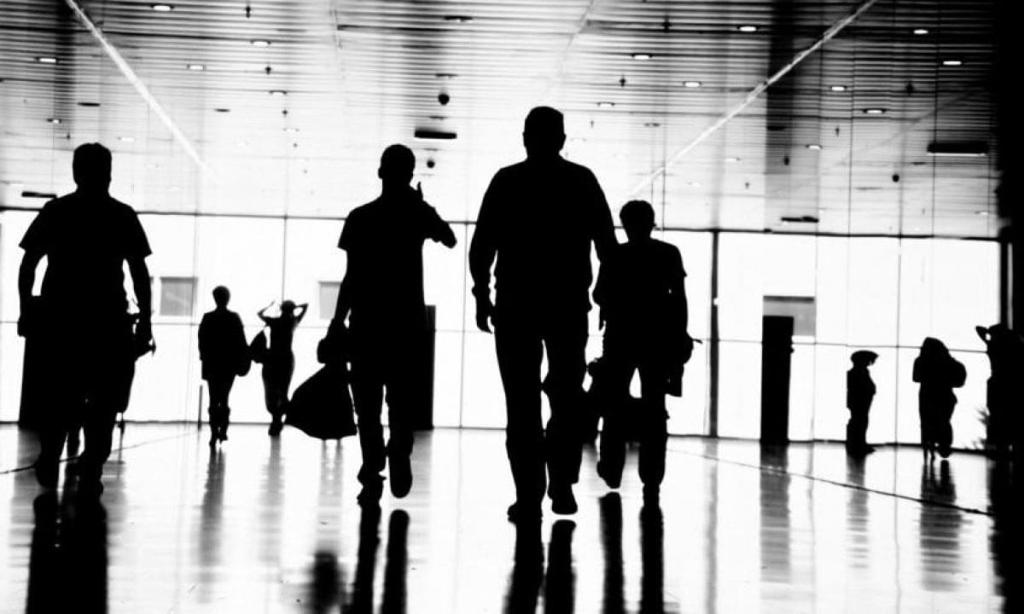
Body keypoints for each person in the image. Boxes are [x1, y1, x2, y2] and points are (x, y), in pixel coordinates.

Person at [469, 106, 616, 521]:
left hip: (515, 305)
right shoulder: (582, 181)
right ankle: (562, 481)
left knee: (521, 403)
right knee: (566, 397)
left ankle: (529, 494)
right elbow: (607, 245)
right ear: (562, 140)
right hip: (567, 305)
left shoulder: (507, 181)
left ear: (525, 138)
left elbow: (482, 246)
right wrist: (607, 297)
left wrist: (482, 294)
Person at [17, 142, 153, 496]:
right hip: (108, 322)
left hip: (61, 321)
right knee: (105, 402)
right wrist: (145, 323)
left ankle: (51, 454)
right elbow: (139, 273)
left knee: (57, 396)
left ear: (76, 172)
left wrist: (26, 309)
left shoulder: (56, 212)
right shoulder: (122, 215)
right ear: (109, 173)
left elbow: (29, 264)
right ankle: (92, 464)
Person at [332, 144, 456, 506]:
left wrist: (337, 321)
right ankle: (399, 449)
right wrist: (422, 207)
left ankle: (372, 470)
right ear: (410, 175)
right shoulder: (415, 214)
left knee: (367, 407)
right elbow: (449, 238)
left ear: (380, 172)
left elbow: (351, 277)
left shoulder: (360, 218)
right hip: (406, 327)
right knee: (402, 403)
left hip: (367, 326)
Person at [592, 200, 690, 504]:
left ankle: (612, 467)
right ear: (651, 222)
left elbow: (599, 294)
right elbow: (680, 298)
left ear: (625, 224)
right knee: (654, 408)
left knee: (614, 405)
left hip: (620, 337)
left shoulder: (615, 255)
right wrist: (679, 333)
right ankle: (652, 476)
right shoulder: (668, 253)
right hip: (657, 339)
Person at [198, 286, 248, 446]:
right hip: (229, 364)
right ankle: (223, 430)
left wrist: (204, 358)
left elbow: (202, 341)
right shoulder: (234, 318)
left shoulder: (208, 317)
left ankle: (214, 432)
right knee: (224, 397)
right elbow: (241, 341)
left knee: (213, 399)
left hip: (212, 364)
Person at [259, 299, 308, 436]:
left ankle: (276, 419)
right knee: (283, 390)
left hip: (272, 358)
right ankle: (279, 419)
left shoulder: (274, 322)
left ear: (281, 309)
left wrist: (269, 305)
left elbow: (259, 314)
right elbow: (306, 306)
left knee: (272, 390)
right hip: (286, 359)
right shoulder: (292, 322)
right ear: (292, 310)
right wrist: (296, 306)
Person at [913, 337, 966, 460]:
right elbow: (959, 381)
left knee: (926, 423)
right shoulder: (950, 362)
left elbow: (915, 378)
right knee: (944, 422)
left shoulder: (920, 361)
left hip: (926, 396)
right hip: (945, 396)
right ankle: (944, 445)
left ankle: (928, 447)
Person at [975, 324, 1023, 457]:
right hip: (1010, 384)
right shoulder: (1013, 347)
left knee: (997, 416)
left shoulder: (993, 346)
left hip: (996, 383)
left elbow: (978, 329)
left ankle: (1000, 449)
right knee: (1009, 417)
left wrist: (988, 332)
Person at [846, 350, 878, 456]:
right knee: (860, 422)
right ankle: (858, 444)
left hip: (861, 401)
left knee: (860, 422)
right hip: (860, 401)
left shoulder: (856, 372)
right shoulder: (858, 372)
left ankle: (859, 443)